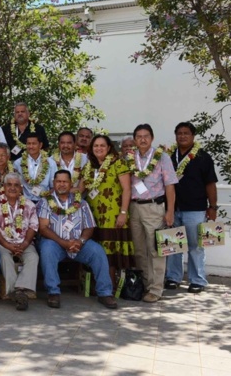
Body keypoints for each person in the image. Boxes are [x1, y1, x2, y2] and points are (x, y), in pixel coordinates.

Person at [37, 170, 118, 309]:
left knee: (98, 251)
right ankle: (53, 292)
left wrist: (80, 241)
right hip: (56, 243)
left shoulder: (82, 203)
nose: (61, 184)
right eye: (58, 181)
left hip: (79, 243)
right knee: (47, 249)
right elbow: (43, 228)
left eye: (65, 181)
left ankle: (105, 293)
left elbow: (89, 227)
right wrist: (64, 243)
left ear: (71, 184)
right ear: (54, 183)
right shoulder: (45, 202)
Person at [127, 124, 178, 303]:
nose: (142, 139)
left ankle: (156, 289)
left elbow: (170, 185)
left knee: (155, 250)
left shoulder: (162, 157)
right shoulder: (130, 158)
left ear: (152, 138)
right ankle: (145, 285)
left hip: (154, 207)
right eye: (139, 136)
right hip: (134, 208)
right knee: (140, 250)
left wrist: (170, 211)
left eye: (146, 136)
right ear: (134, 139)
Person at [165, 122, 218, 294]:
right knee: (173, 246)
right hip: (173, 208)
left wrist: (213, 207)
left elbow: (210, 184)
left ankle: (197, 280)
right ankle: (173, 277)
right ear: (175, 136)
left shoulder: (203, 156)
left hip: (195, 208)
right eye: (179, 133)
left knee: (195, 246)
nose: (182, 136)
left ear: (193, 136)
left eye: (186, 133)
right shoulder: (169, 156)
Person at [0, 172, 39, 311]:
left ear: (21, 188)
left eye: (16, 185)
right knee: (4, 257)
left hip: (24, 243)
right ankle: (20, 293)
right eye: (9, 185)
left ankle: (19, 290)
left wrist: (25, 244)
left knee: (33, 257)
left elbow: (33, 226)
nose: (12, 188)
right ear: (3, 186)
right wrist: (7, 245)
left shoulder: (29, 204)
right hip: (2, 242)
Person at [80, 135, 134, 275]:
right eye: (96, 146)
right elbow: (80, 190)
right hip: (93, 217)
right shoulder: (88, 167)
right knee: (97, 250)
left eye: (102, 145)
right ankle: (97, 285)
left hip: (113, 216)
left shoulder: (118, 163)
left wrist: (123, 213)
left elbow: (127, 189)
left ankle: (111, 286)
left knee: (111, 254)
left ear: (109, 147)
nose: (99, 148)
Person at [14, 133, 57, 203]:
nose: (31, 146)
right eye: (28, 144)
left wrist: (48, 200)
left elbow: (54, 186)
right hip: (24, 201)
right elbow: (15, 184)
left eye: (34, 144)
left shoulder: (50, 163)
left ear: (40, 145)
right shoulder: (18, 163)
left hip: (44, 201)